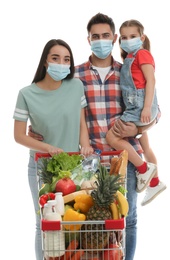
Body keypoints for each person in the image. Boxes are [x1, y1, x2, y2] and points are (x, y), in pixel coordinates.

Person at [28, 13, 161, 260]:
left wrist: (138, 130)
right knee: (89, 227)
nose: (101, 40)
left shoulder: (129, 72)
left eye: (106, 36)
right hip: (88, 163)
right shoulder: (74, 75)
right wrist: (36, 128)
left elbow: (155, 111)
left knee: (127, 220)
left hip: (124, 159)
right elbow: (53, 106)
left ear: (114, 40)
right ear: (88, 39)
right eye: (95, 36)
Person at [13, 39, 94, 260]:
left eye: (66, 59)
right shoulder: (26, 94)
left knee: (76, 221)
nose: (61, 63)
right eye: (55, 58)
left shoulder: (75, 86)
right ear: (46, 62)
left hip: (74, 166)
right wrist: (47, 147)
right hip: (42, 167)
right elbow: (19, 135)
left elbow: (81, 123)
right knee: (45, 223)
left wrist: (85, 144)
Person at [106, 19, 166, 205]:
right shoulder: (129, 59)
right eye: (123, 37)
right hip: (135, 106)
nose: (127, 40)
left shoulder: (143, 54)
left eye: (132, 36)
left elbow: (151, 81)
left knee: (112, 137)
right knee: (145, 147)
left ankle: (143, 169)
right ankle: (155, 183)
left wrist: (147, 108)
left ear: (142, 37)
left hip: (140, 106)